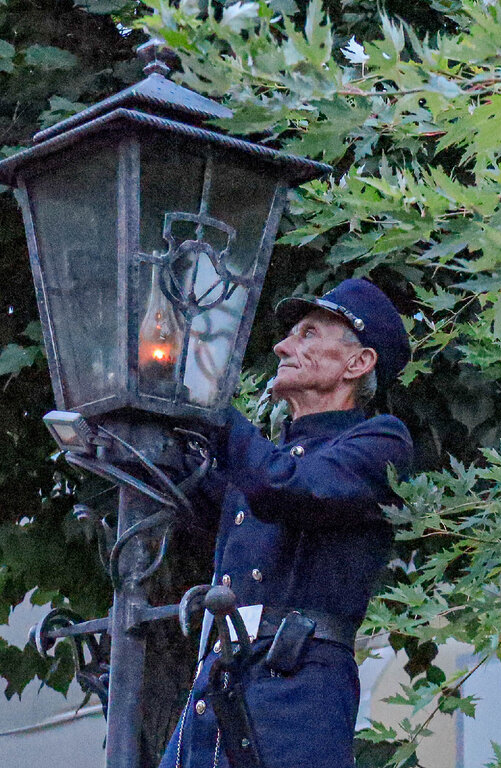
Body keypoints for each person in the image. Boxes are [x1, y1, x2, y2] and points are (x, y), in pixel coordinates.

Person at [158, 278, 414, 768]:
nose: (283, 345)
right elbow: (186, 486)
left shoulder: (383, 441)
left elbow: (285, 489)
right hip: (222, 678)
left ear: (358, 364)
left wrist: (212, 399)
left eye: (309, 334)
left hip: (298, 687)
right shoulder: (268, 457)